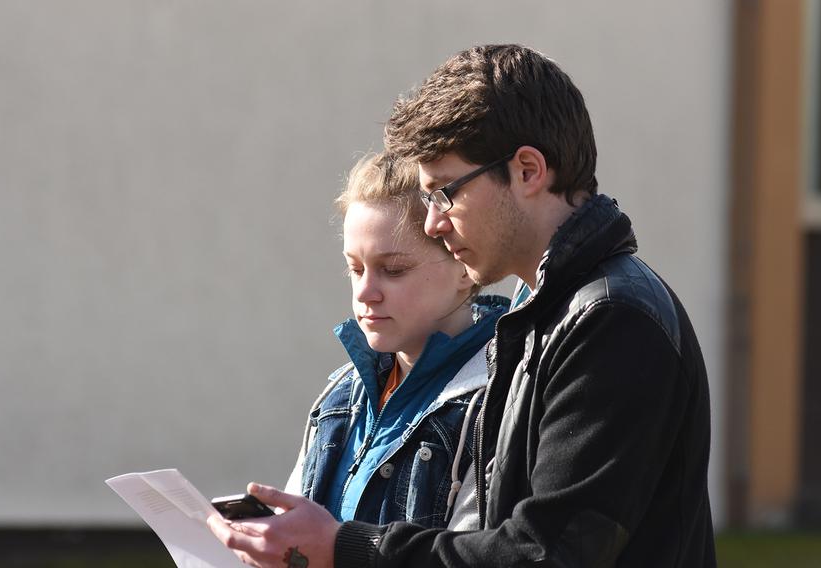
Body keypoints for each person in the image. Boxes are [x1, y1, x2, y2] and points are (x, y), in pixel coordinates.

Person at [209, 44, 716, 567]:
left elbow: (546, 553)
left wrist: (346, 547)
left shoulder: (612, 320)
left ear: (527, 171)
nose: (433, 223)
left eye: (444, 193)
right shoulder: (543, 313)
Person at [283, 152, 507, 532]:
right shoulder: (339, 397)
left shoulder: (499, 399)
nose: (366, 292)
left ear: (464, 267)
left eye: (393, 270)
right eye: (355, 268)